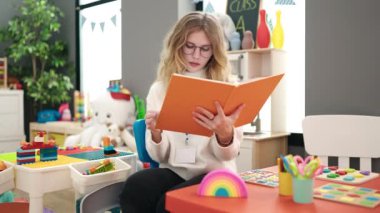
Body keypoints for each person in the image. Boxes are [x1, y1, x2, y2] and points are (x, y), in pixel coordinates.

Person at [119, 11, 245, 213]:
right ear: (177, 45)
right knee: (135, 188)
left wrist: (225, 135)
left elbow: (229, 154)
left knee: (168, 205)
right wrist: (156, 134)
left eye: (205, 49)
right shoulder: (159, 89)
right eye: (190, 46)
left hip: (214, 174)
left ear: (215, 51)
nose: (197, 55)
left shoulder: (227, 86)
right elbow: (160, 155)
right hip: (175, 171)